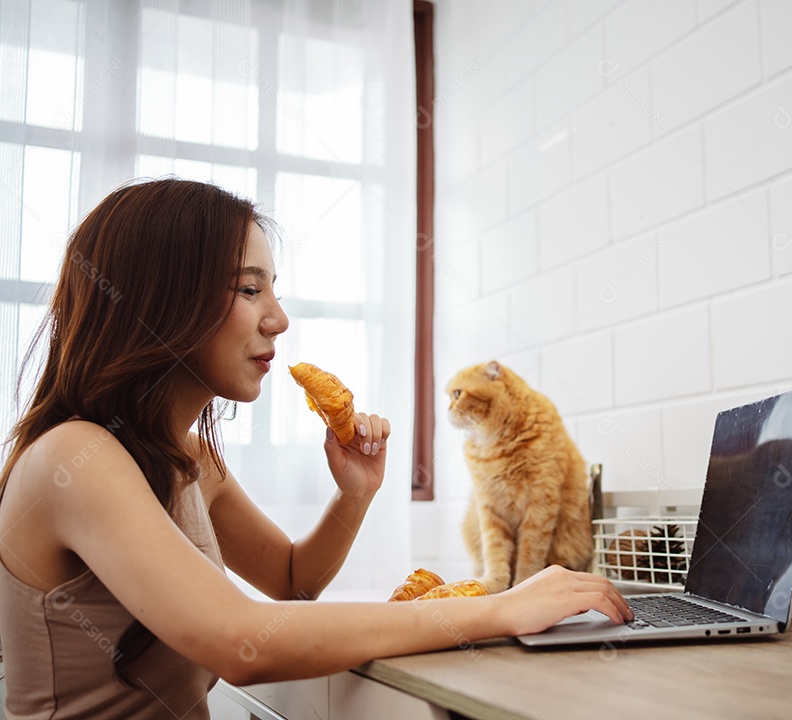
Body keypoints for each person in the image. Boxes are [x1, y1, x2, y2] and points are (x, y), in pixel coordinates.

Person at [0, 178, 632, 718]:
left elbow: (292, 583)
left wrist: (354, 495)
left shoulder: (190, 459)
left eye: (272, 288)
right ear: (157, 301)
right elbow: (241, 641)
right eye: (249, 290)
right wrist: (501, 609)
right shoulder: (72, 460)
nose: (278, 318)